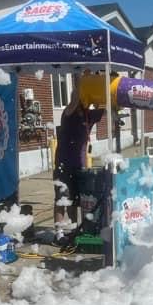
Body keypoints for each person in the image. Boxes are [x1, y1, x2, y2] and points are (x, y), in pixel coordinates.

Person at [53, 87, 104, 231]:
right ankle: (59, 233)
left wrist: (100, 89)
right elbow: (74, 99)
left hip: (79, 164)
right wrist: (83, 82)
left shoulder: (89, 115)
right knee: (62, 199)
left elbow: (105, 105)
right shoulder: (69, 112)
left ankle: (74, 229)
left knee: (75, 200)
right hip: (64, 163)